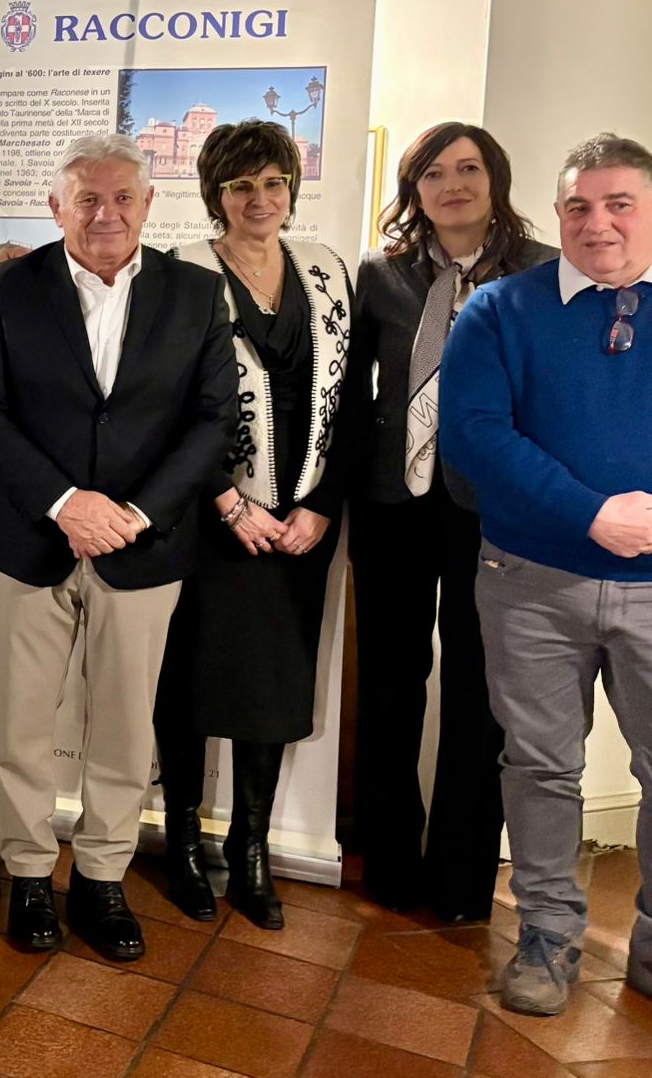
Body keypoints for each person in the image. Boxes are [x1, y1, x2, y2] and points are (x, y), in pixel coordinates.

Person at [0, 133, 235, 963]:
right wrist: (64, 503)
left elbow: (212, 420)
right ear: (56, 207)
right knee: (20, 720)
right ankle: (29, 871)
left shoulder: (196, 293)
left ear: (149, 205)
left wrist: (135, 513)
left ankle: (103, 877)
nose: (105, 214)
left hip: (144, 546)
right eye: (87, 199)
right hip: (29, 540)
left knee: (123, 720)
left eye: (122, 198)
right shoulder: (7, 287)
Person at [442, 132, 652, 1018]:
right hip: (529, 580)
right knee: (539, 766)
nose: (597, 223)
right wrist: (591, 513)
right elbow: (474, 434)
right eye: (578, 206)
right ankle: (547, 934)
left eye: (619, 204)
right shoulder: (499, 310)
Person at [155, 121, 365, 931]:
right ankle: (181, 842)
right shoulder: (181, 274)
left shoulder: (326, 270)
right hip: (209, 522)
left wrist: (321, 506)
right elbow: (162, 408)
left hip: (300, 528)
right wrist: (227, 501)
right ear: (215, 194)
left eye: (274, 183)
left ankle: (250, 848)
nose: (259, 199)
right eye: (241, 185)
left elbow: (353, 405)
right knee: (187, 684)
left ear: (292, 190)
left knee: (274, 689)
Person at [350, 122, 552, 921]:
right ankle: (389, 861)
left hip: (494, 510)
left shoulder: (542, 274)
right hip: (392, 504)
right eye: (433, 173)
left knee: (481, 688)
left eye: (468, 169)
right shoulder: (383, 274)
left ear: (495, 180)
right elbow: (354, 391)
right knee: (390, 681)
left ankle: (463, 876)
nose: (452, 185)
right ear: (415, 191)